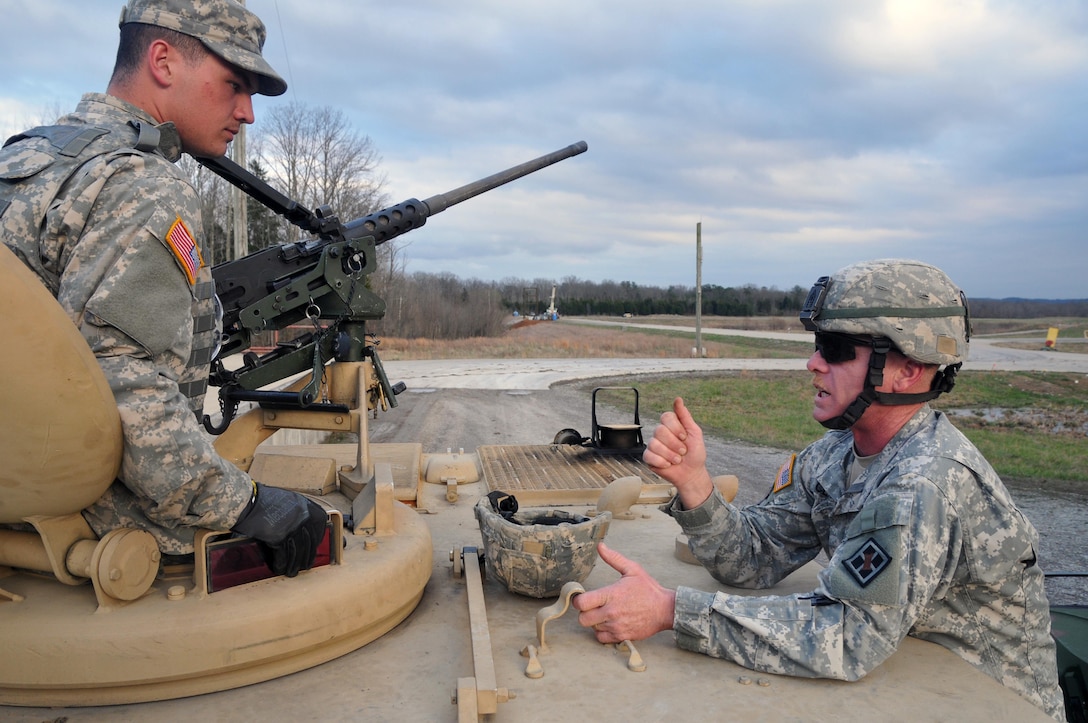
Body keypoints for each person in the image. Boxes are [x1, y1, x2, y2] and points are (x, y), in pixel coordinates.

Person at [572, 259, 1064, 719]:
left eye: (835, 350)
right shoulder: (834, 455)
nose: (812, 363)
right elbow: (753, 558)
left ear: (908, 369)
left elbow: (848, 633)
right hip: (913, 678)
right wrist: (695, 485)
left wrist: (669, 609)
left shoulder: (926, 483)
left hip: (989, 700)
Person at [0, 0, 325, 577]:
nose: (247, 112)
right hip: (98, 532)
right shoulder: (143, 185)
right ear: (163, 60)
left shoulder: (27, 157)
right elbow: (126, 386)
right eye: (233, 84)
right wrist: (244, 504)